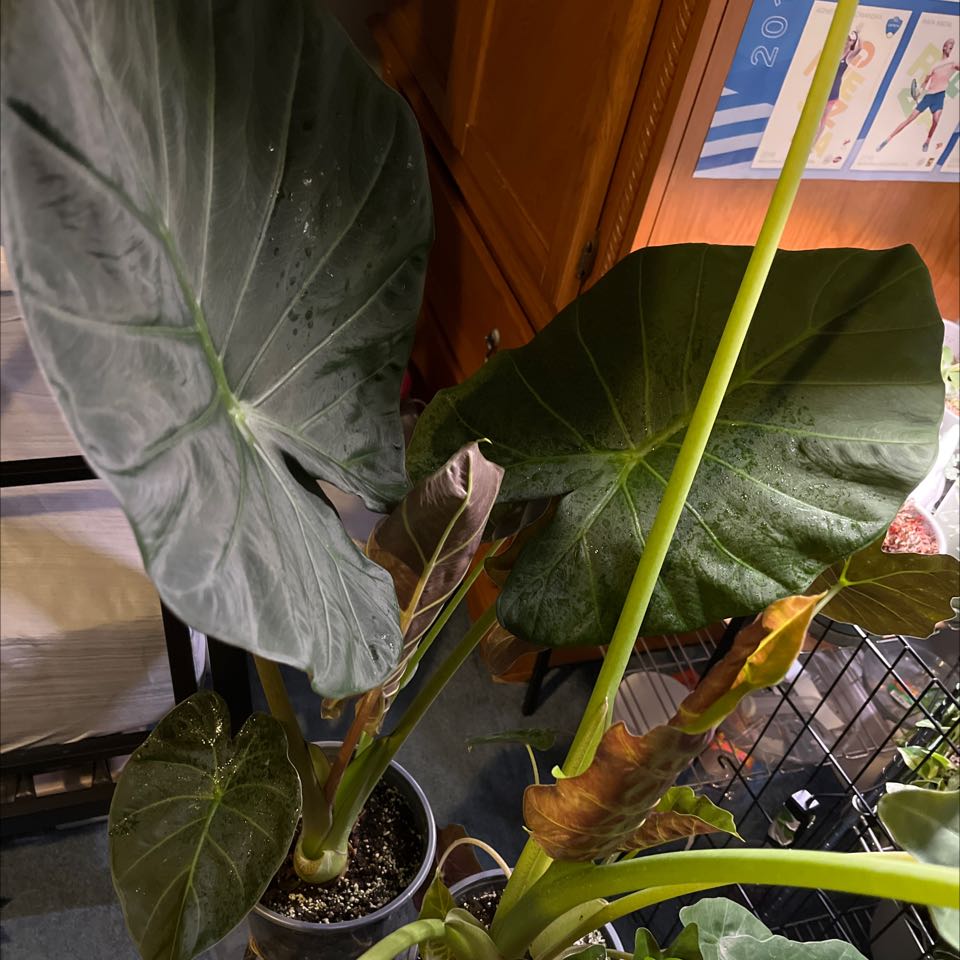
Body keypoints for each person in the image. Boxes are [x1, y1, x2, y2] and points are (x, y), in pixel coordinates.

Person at [877, 38, 959, 153]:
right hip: (929, 96)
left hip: (940, 96)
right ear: (944, 47)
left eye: (952, 47)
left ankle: (927, 141)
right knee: (909, 119)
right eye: (949, 46)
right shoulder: (935, 66)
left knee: (935, 121)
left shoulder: (953, 62)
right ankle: (887, 139)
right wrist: (919, 92)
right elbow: (926, 81)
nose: (950, 49)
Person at [815, 28, 863, 146]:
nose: (847, 41)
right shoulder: (835, 51)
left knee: (823, 118)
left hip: (833, 91)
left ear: (853, 43)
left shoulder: (848, 56)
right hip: (823, 87)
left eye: (850, 40)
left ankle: (814, 143)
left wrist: (858, 35)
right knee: (815, 116)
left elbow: (860, 48)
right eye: (847, 39)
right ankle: (809, 138)